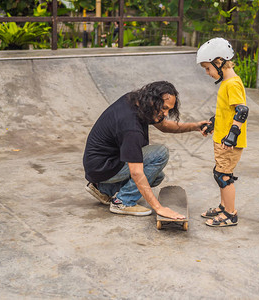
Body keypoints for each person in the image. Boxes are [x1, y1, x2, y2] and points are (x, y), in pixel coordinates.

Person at [83, 81, 209, 219]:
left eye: (169, 110)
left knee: (156, 176)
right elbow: (136, 173)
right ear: (153, 100)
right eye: (165, 108)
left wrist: (195, 126)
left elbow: (164, 126)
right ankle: (123, 202)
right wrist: (159, 208)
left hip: (101, 165)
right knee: (160, 153)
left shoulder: (136, 101)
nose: (166, 114)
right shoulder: (131, 127)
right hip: (103, 167)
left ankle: (103, 189)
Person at [197, 38, 249, 227]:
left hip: (229, 143)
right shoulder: (226, 83)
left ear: (219, 62)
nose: (207, 72)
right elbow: (225, 111)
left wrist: (231, 137)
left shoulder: (232, 84)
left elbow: (241, 111)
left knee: (223, 176)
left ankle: (230, 214)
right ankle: (223, 205)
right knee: (220, 173)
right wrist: (212, 124)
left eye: (207, 68)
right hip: (222, 140)